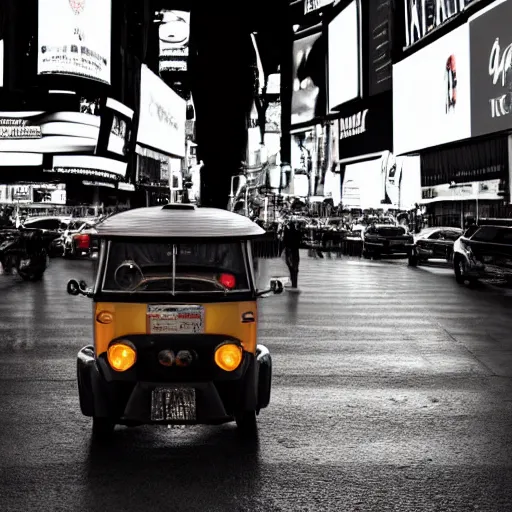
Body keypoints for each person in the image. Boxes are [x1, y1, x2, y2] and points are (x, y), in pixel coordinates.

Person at [282, 219, 302, 292]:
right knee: (295, 267)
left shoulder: (288, 232)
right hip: (295, 251)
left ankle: (292, 280)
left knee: (289, 265)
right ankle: (294, 284)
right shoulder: (297, 232)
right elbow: (300, 240)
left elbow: (284, 241)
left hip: (289, 250)